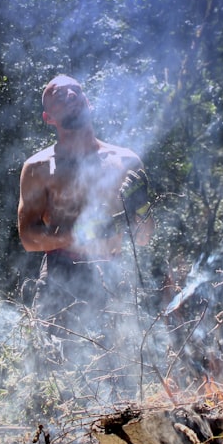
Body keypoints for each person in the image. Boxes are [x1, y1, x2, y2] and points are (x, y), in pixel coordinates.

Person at [18, 75, 153, 337]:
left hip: (115, 274)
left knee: (122, 368)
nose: (70, 95)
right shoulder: (38, 168)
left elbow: (145, 237)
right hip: (61, 277)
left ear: (88, 103)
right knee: (53, 369)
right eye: (59, 96)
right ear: (49, 119)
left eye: (75, 91)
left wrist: (140, 209)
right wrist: (77, 236)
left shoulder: (126, 161)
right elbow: (28, 238)